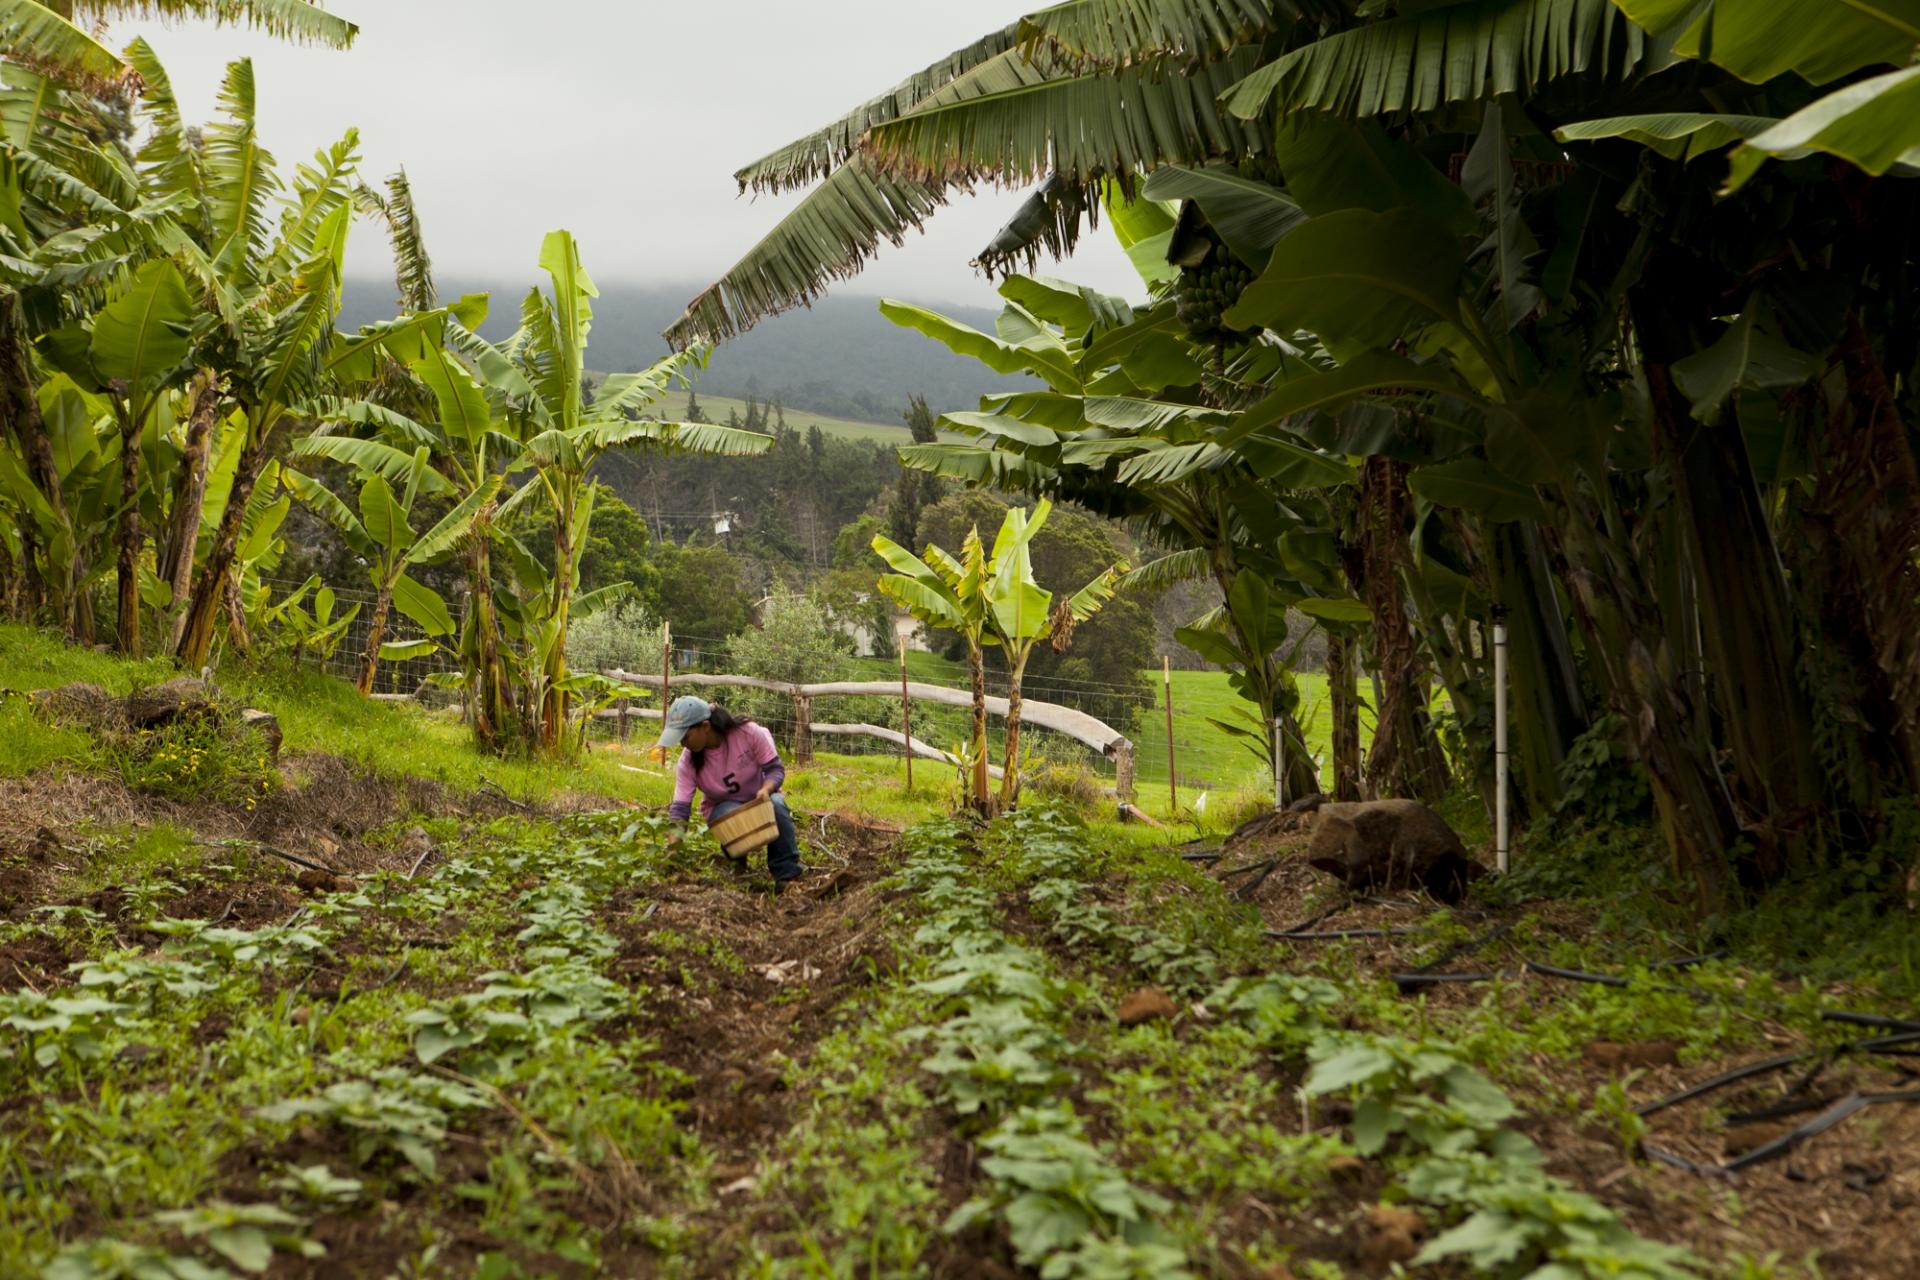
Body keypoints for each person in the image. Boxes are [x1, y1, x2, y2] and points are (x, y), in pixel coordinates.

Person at [658, 695, 806, 893]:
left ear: (705, 726)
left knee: (777, 805)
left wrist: (766, 789)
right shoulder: (688, 762)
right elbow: (680, 809)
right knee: (730, 813)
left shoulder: (748, 733)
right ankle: (737, 862)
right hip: (723, 808)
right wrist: (672, 851)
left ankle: (786, 875)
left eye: (685, 737)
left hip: (760, 798)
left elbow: (775, 770)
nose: (682, 744)